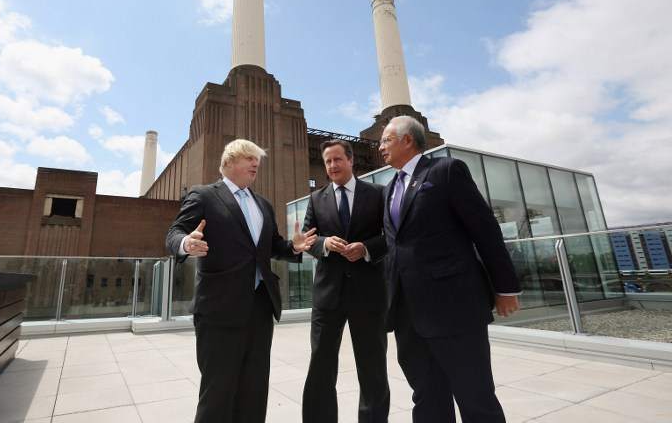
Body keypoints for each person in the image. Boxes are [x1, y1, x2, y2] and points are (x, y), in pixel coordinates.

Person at [379, 116, 521, 423]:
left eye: (386, 140)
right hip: (408, 316)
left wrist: (505, 287)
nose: (380, 148)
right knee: (427, 399)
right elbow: (396, 245)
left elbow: (484, 230)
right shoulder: (389, 188)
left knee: (475, 397)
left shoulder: (444, 171)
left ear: (407, 140)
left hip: (453, 310)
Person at [166, 139, 317, 423]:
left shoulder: (263, 204)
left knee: (255, 389)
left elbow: (271, 246)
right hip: (219, 309)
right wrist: (186, 243)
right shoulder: (203, 196)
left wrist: (294, 247)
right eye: (249, 157)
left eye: (257, 159)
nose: (255, 163)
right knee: (218, 392)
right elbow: (174, 233)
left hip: (260, 307)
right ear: (228, 163)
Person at [301, 139, 390, 422]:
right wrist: (326, 244)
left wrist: (365, 249)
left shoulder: (377, 194)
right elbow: (307, 239)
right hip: (328, 297)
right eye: (327, 162)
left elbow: (390, 237)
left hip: (369, 295)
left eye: (337, 159)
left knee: (372, 368)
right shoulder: (316, 199)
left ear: (351, 161)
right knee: (320, 368)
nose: (332, 166)